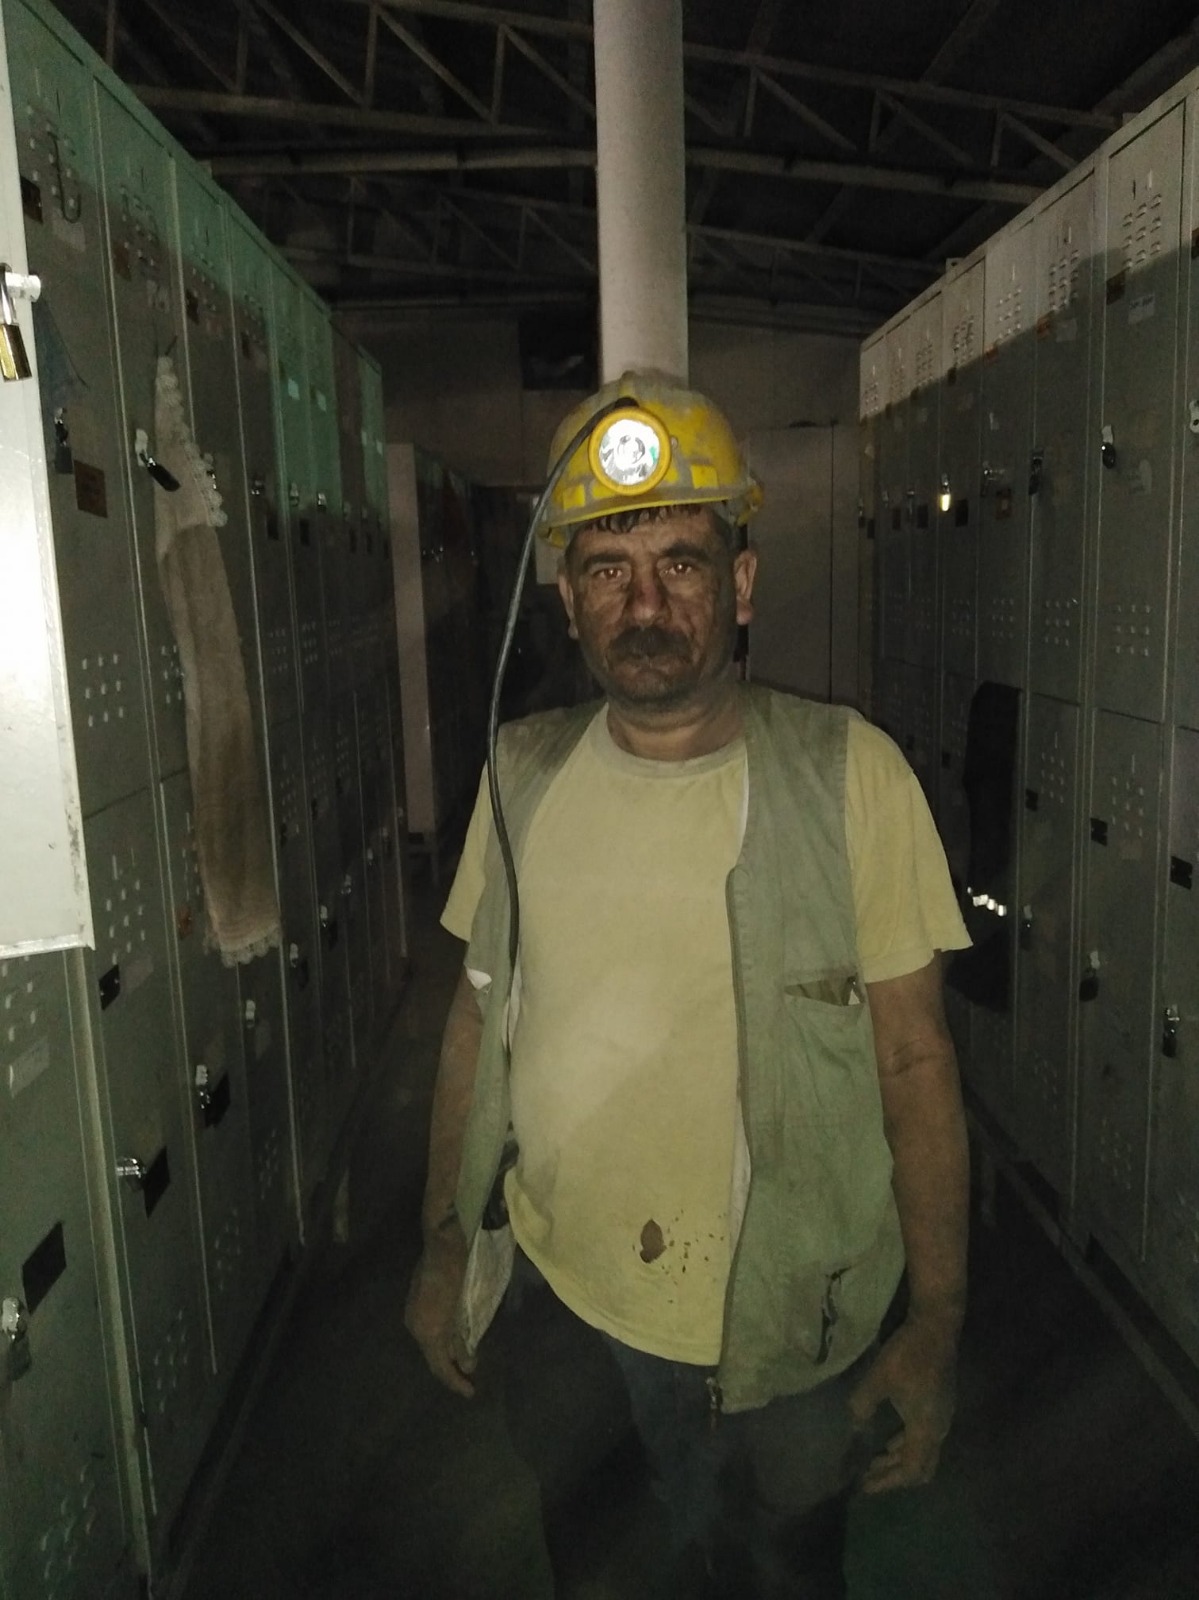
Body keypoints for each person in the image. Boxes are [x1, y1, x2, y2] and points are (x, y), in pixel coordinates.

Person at [405, 372, 972, 1599]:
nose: (646, 602)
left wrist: (934, 1321)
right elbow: (475, 1017)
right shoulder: (520, 776)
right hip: (570, 1321)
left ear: (742, 583)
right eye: (608, 569)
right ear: (566, 598)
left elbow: (914, 1060)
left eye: (681, 561)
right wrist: (444, 1240)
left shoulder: (851, 778)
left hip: (794, 1329)